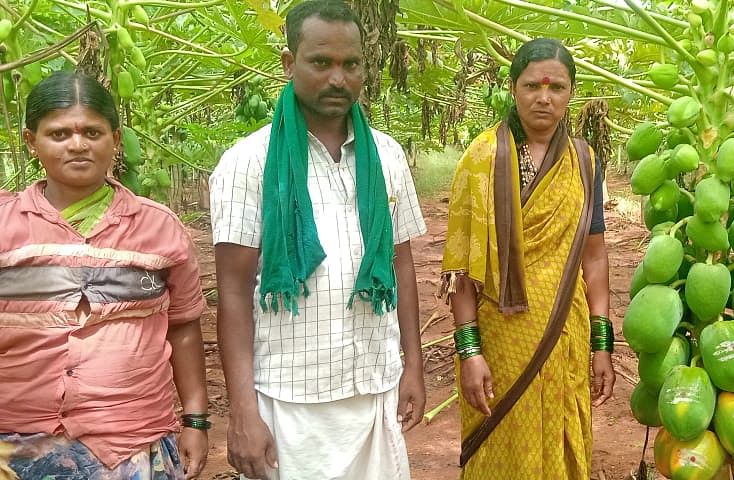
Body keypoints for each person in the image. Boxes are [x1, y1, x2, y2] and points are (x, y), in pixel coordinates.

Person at [208, 1, 426, 479]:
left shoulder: (387, 157)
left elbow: (401, 264)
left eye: (351, 64)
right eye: (321, 62)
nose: (338, 78)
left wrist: (413, 365)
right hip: (290, 400)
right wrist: (243, 410)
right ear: (289, 64)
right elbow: (233, 291)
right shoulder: (248, 162)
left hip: (374, 387)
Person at [0, 71, 209, 478]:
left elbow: (183, 327)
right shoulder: (5, 227)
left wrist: (196, 420)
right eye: (59, 134)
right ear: (31, 142)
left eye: (92, 133)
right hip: (16, 440)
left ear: (115, 139)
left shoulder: (160, 228)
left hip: (133, 440)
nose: (77, 145)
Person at [439, 38, 616, 479]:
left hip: (566, 335)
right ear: (513, 89)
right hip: (501, 342)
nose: (544, 97)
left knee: (562, 445)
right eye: (532, 85)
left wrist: (602, 345)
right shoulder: (481, 160)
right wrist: (469, 352)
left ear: (570, 92)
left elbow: (593, 259)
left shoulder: (584, 162)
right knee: (503, 451)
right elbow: (464, 269)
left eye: (556, 86)